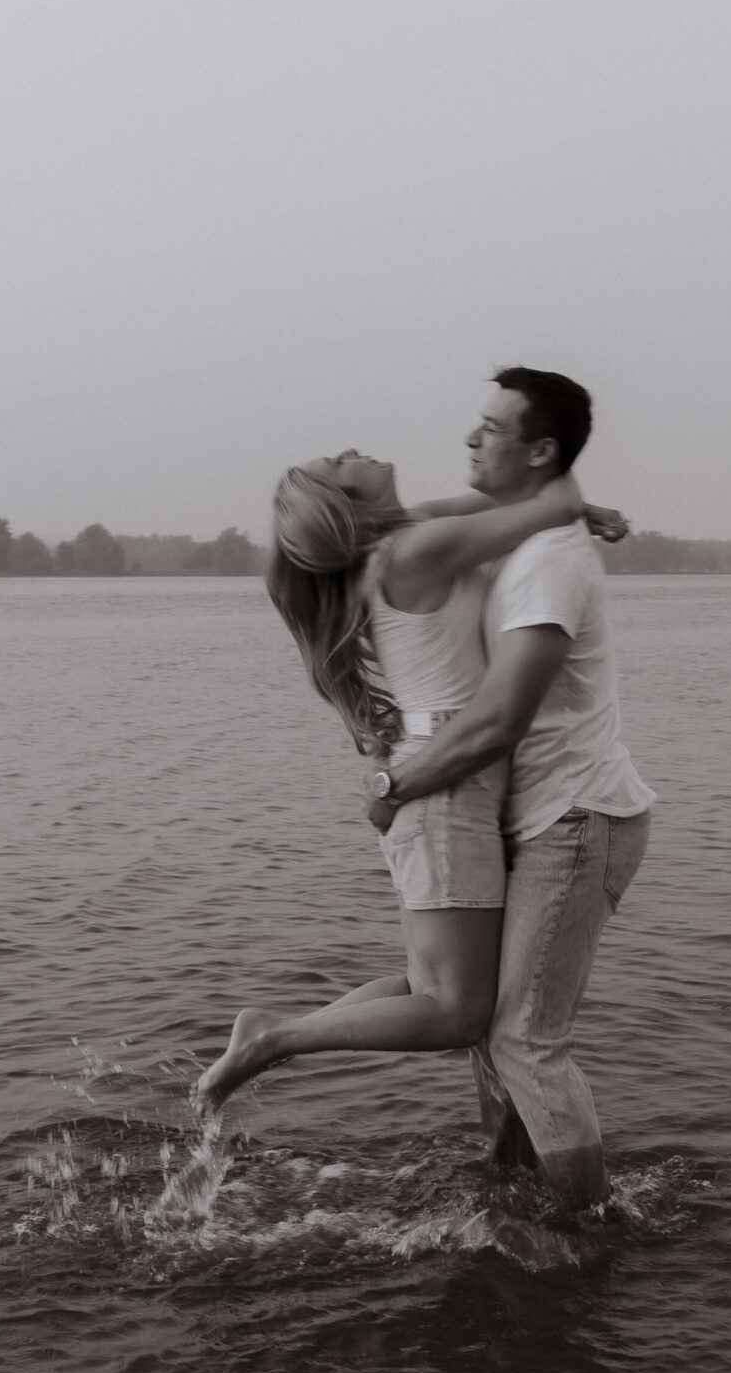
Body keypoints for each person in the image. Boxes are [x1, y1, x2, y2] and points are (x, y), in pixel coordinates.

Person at [191, 441, 620, 1111]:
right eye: (338, 466)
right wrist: (570, 500)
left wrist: (564, 506)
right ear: (348, 504)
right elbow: (545, 503)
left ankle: (275, 1037)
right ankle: (275, 1037)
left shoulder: (408, 536)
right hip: (446, 788)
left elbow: (518, 502)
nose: (349, 450)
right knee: (456, 1012)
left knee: (433, 984)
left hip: (442, 781)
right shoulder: (416, 551)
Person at [364, 369, 655, 1209]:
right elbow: (407, 519)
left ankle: (585, 1226)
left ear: (539, 450)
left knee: (525, 1038)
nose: (469, 439)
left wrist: (396, 781)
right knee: (489, 1032)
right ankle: (511, 1185)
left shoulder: (544, 569)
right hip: (531, 820)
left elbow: (499, 721)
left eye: (491, 428)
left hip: (576, 817)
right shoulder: (519, 536)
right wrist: (572, 500)